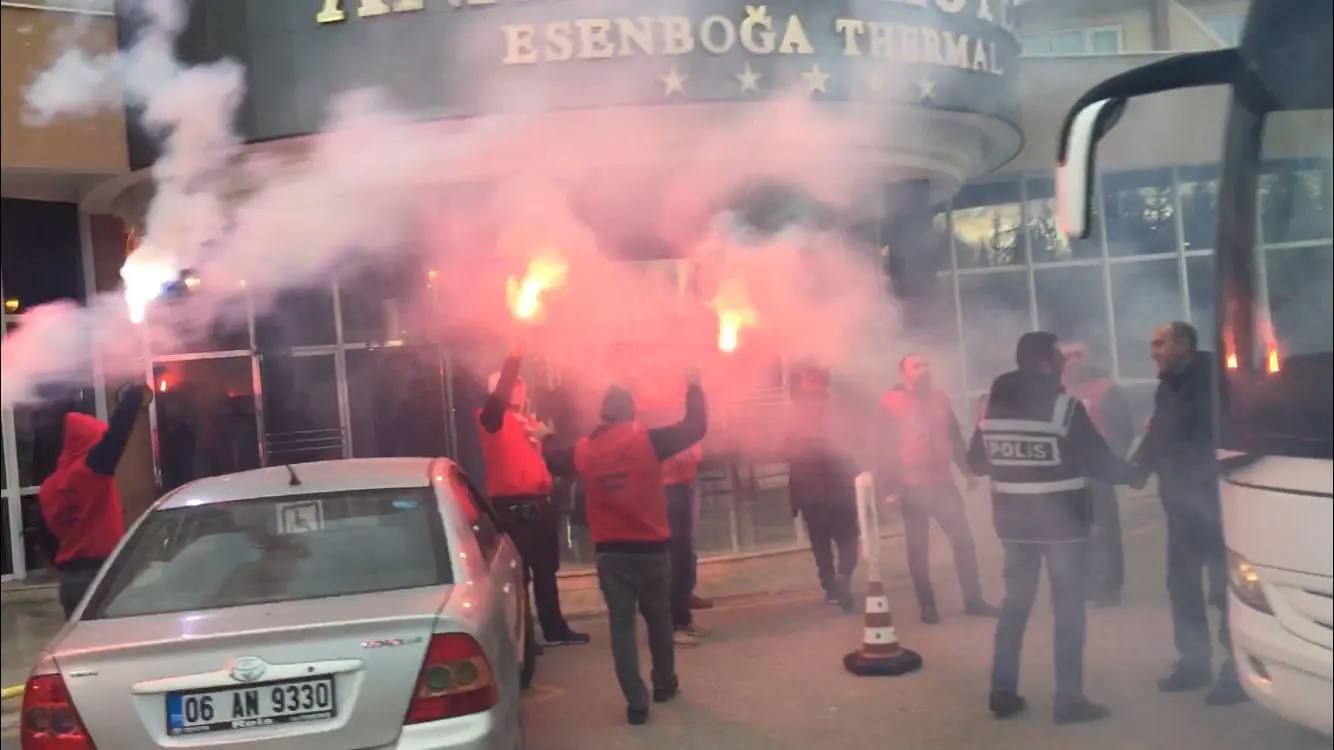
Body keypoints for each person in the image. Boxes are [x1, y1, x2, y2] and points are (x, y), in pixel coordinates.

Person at [969, 332, 1144, 725]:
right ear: (1047, 362)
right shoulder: (1064, 409)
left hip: (1012, 524)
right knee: (1067, 610)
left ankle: (1003, 690)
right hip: (1062, 524)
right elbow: (1098, 461)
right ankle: (1068, 699)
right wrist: (1133, 474)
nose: (1065, 363)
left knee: (1015, 605)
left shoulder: (991, 411)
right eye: (1059, 357)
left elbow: (976, 462)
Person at [544, 372, 707, 725]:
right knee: (659, 619)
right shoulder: (648, 441)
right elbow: (695, 427)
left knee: (621, 627)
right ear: (631, 413)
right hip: (651, 551)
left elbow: (553, 460)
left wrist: (546, 437)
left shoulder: (586, 449)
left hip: (610, 554)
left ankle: (636, 703)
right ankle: (664, 684)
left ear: (604, 414)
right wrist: (693, 386)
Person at [1133, 322, 1248, 706]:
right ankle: (1194, 661)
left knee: (1224, 590)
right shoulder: (1167, 385)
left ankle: (1238, 669)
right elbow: (1159, 432)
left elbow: (1225, 439)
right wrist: (1138, 467)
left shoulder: (1217, 382)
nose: (1153, 351)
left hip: (1216, 506)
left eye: (1158, 343)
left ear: (1184, 344)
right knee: (1182, 586)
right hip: (1180, 505)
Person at [477, 341, 589, 647]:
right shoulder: (491, 420)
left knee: (546, 571)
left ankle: (554, 629)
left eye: (520, 384)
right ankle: (525, 639)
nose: (518, 389)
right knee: (519, 576)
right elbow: (498, 397)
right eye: (512, 384)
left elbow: (553, 460)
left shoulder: (529, 422)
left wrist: (548, 436)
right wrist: (514, 355)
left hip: (540, 504)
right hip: (514, 508)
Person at [879, 354, 998, 624]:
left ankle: (974, 600)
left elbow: (954, 437)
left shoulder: (940, 399)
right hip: (911, 487)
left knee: (964, 542)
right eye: (916, 366)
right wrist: (890, 488)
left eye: (926, 365)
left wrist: (967, 471)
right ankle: (927, 604)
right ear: (903, 374)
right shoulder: (890, 403)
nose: (924, 370)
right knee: (918, 549)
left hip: (943, 484)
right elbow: (883, 447)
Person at [38, 384, 152, 619]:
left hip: (71, 582)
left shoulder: (49, 488)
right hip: (99, 578)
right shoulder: (89, 474)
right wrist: (131, 398)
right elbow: (115, 439)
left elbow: (46, 539)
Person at [1060, 341, 1135, 607]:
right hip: (1069, 475)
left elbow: (1124, 429)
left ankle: (1109, 587)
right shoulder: (1061, 392)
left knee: (1105, 532)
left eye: (1079, 355)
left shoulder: (1105, 388)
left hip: (1099, 473)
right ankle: (1086, 585)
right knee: (1076, 533)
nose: (1074, 360)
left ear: (1089, 358)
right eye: (1068, 356)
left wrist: (1111, 463)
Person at [784, 365, 859, 613]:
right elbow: (852, 442)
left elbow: (785, 448)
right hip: (839, 487)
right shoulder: (838, 411)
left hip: (810, 490)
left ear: (807, 383)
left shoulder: (795, 413)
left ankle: (830, 588)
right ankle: (844, 576)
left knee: (820, 541)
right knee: (847, 537)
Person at [662, 440, 709, 646]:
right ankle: (671, 624)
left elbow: (695, 454)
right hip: (667, 491)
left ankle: (682, 618)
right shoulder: (659, 433)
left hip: (681, 489)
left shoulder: (680, 431)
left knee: (682, 556)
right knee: (673, 559)